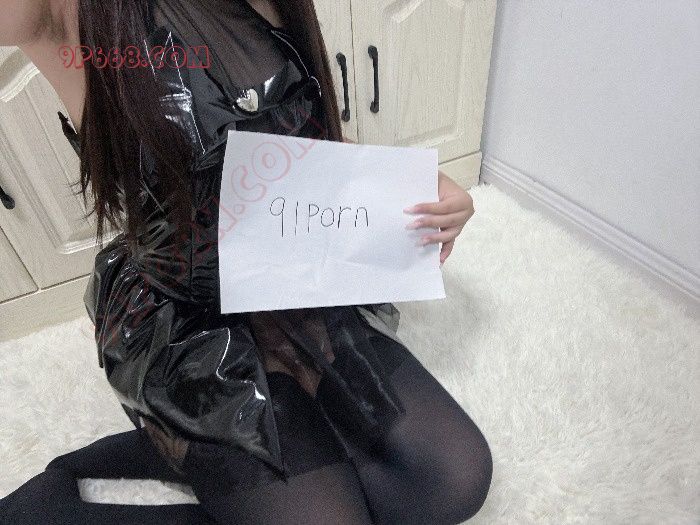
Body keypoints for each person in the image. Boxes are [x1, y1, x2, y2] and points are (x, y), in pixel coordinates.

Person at [0, 1, 493, 523]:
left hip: (291, 283)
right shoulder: (71, 14)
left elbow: (300, 142)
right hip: (185, 317)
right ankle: (179, 435)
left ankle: (242, 451)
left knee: (454, 479)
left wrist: (417, 187)